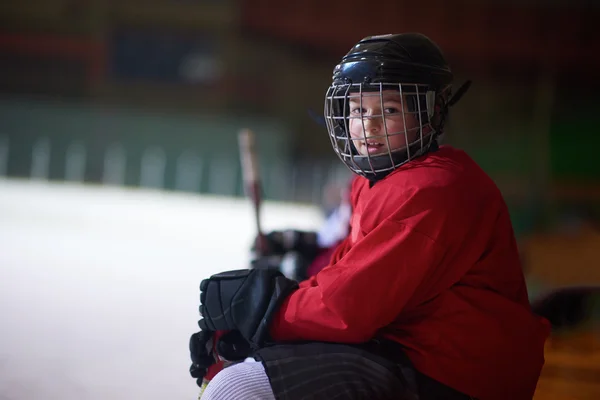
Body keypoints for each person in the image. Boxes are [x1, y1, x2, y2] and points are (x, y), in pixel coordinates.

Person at [189, 33, 550, 400]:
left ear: (430, 113)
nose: (369, 126)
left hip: (455, 377)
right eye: (359, 110)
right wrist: (277, 299)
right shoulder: (380, 181)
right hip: (411, 351)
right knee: (248, 365)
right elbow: (347, 270)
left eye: (389, 110)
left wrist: (266, 312)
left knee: (239, 386)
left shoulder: (432, 190)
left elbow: (350, 309)